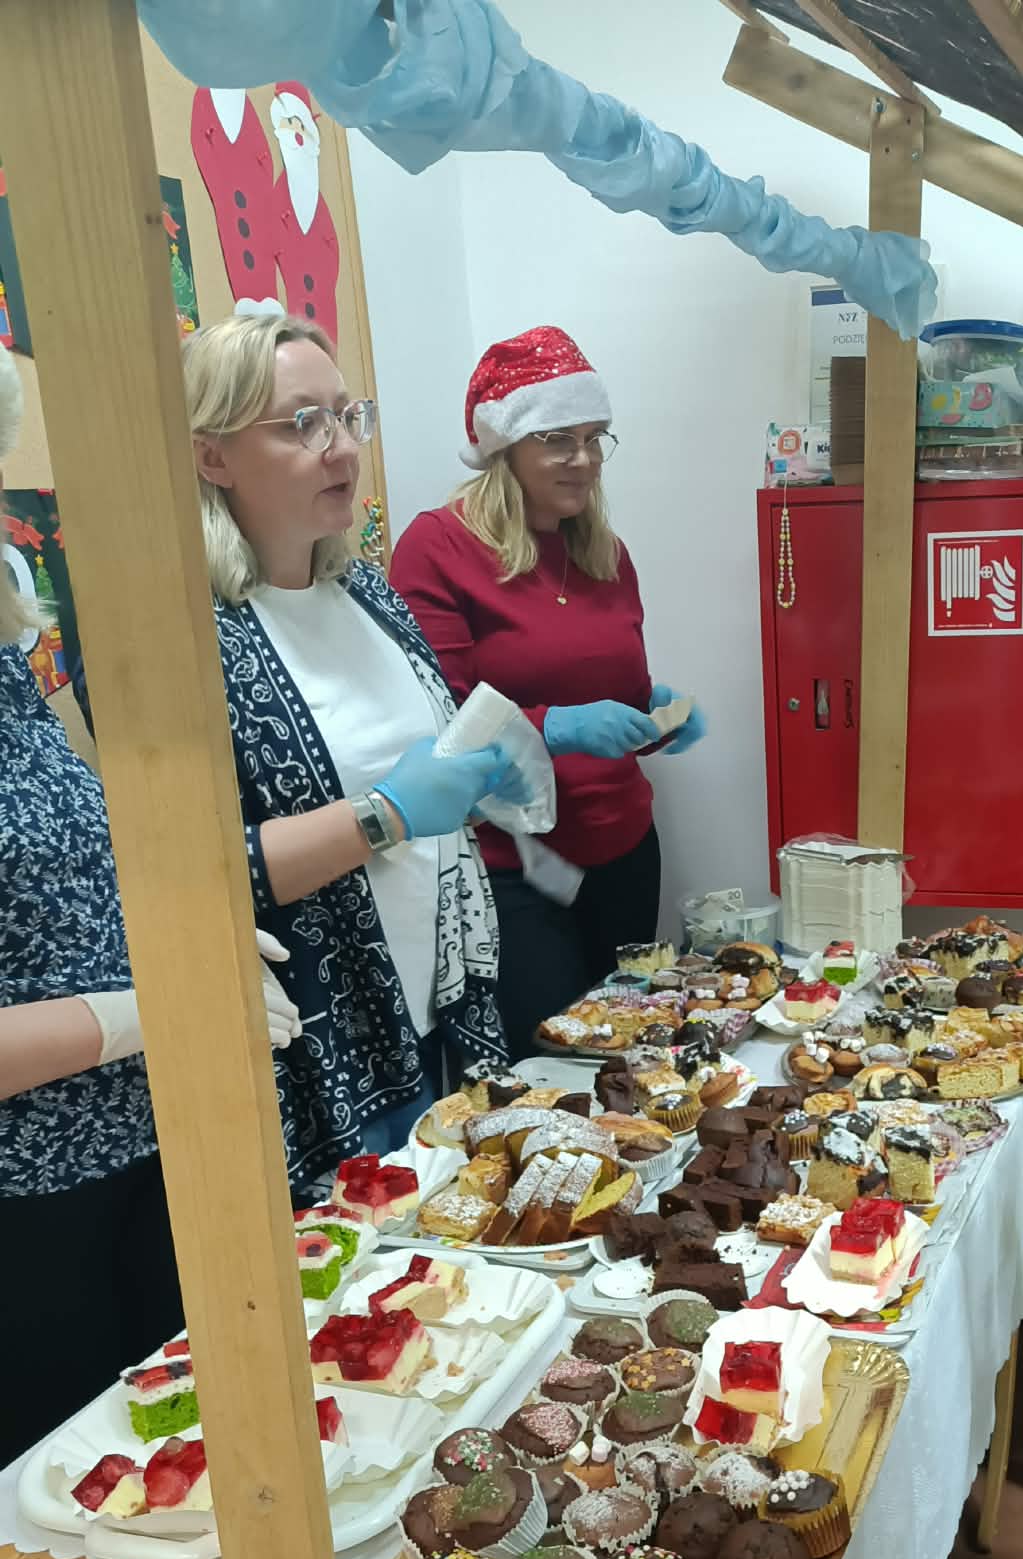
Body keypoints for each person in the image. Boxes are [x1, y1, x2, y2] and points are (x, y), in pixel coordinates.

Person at [0, 346, 298, 1462]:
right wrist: (153, 1008)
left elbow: (59, 866)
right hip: (30, 1199)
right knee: (72, 1500)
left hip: (141, 1146)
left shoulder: (10, 670)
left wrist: (184, 940)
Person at [182, 313, 532, 1193]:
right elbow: (189, 875)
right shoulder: (183, 640)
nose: (342, 448)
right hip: (323, 1050)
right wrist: (387, 816)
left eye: (348, 415)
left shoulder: (368, 593)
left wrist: (481, 773)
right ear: (212, 457)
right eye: (303, 423)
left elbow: (429, 761)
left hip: (439, 1016)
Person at [390, 326, 706, 1055]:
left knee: (631, 1055)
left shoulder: (603, 553)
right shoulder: (438, 549)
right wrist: (555, 727)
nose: (585, 460)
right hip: (515, 865)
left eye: (595, 439)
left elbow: (619, 691)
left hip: (624, 850)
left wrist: (655, 714)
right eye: (559, 440)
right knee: (552, 1068)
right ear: (505, 446)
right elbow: (442, 724)